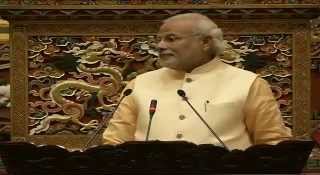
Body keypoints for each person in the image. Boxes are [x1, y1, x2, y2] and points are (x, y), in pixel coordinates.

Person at [102, 13, 292, 150]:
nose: (160, 46)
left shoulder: (248, 83)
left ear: (206, 43)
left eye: (171, 39)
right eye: (159, 40)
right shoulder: (140, 84)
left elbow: (273, 143)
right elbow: (114, 143)